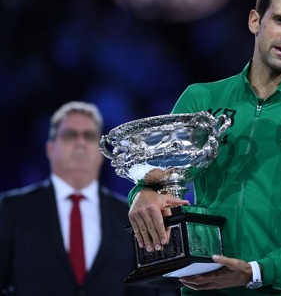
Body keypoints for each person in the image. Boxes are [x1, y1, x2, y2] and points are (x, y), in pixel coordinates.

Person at [127, 0, 281, 296]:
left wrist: (256, 272)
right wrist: (143, 195)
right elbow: (158, 180)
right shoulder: (201, 101)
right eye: (279, 19)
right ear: (254, 21)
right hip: (205, 290)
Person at [0, 101, 185, 296]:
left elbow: (151, 290)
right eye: (70, 135)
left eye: (89, 136)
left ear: (101, 154)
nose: (80, 143)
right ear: (50, 148)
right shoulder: (12, 210)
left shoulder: (131, 214)